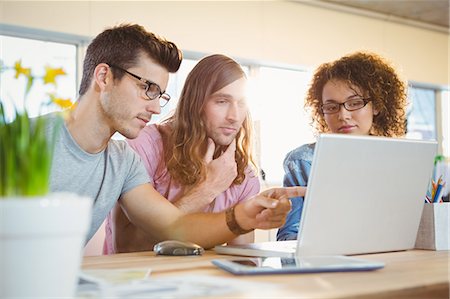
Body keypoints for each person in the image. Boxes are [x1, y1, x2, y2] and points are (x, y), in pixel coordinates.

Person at [44, 23, 305, 250]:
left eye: (160, 95)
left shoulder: (121, 160)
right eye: (147, 88)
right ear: (104, 76)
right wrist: (210, 189)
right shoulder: (22, 140)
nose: (157, 108)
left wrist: (244, 217)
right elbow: (133, 246)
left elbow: (173, 226)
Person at [104, 54, 260, 253]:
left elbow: (243, 260)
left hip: (203, 281)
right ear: (195, 103)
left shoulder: (242, 175)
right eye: (222, 101)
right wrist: (207, 189)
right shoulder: (146, 147)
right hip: (136, 280)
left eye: (242, 103)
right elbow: (127, 247)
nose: (234, 116)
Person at [277, 52, 407, 241]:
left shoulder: (403, 160)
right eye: (331, 107)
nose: (343, 115)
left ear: (377, 106)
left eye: (354, 103)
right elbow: (288, 236)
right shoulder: (303, 162)